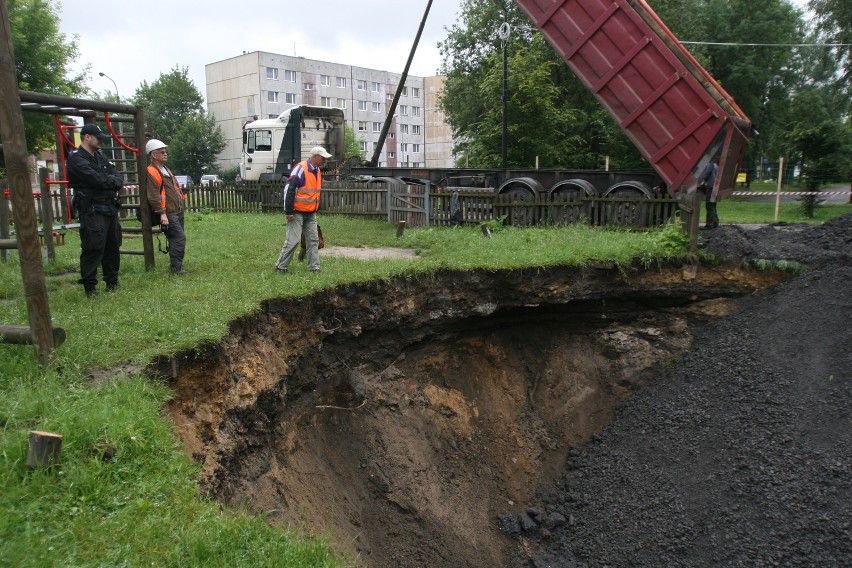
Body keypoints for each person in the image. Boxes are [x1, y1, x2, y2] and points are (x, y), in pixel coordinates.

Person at [67, 123, 123, 297]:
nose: (101, 142)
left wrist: (109, 181)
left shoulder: (100, 156)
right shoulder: (76, 158)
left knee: (113, 246)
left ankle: (112, 282)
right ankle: (90, 287)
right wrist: (109, 181)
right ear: (87, 137)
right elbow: (96, 179)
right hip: (92, 209)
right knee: (93, 247)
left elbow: (117, 177)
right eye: (99, 138)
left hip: (109, 207)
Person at [274, 146, 331, 273]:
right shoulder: (300, 169)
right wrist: (288, 211)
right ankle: (280, 267)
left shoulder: (317, 171)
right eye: (323, 158)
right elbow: (289, 190)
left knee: (313, 241)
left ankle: (314, 268)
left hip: (310, 213)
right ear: (315, 157)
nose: (325, 161)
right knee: (293, 241)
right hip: (296, 212)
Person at [145, 139, 188, 275]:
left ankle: (177, 266)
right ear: (153, 154)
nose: (165, 154)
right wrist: (162, 213)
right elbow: (153, 195)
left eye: (165, 151)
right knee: (179, 238)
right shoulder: (152, 171)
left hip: (177, 210)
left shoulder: (165, 169)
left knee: (177, 238)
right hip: (168, 213)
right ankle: (176, 269)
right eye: (162, 152)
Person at [699, 160, 719, 229]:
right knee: (713, 206)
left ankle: (709, 225)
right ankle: (715, 223)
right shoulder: (716, 165)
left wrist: (703, 181)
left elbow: (709, 172)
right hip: (715, 187)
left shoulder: (710, 164)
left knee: (709, 206)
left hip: (710, 187)